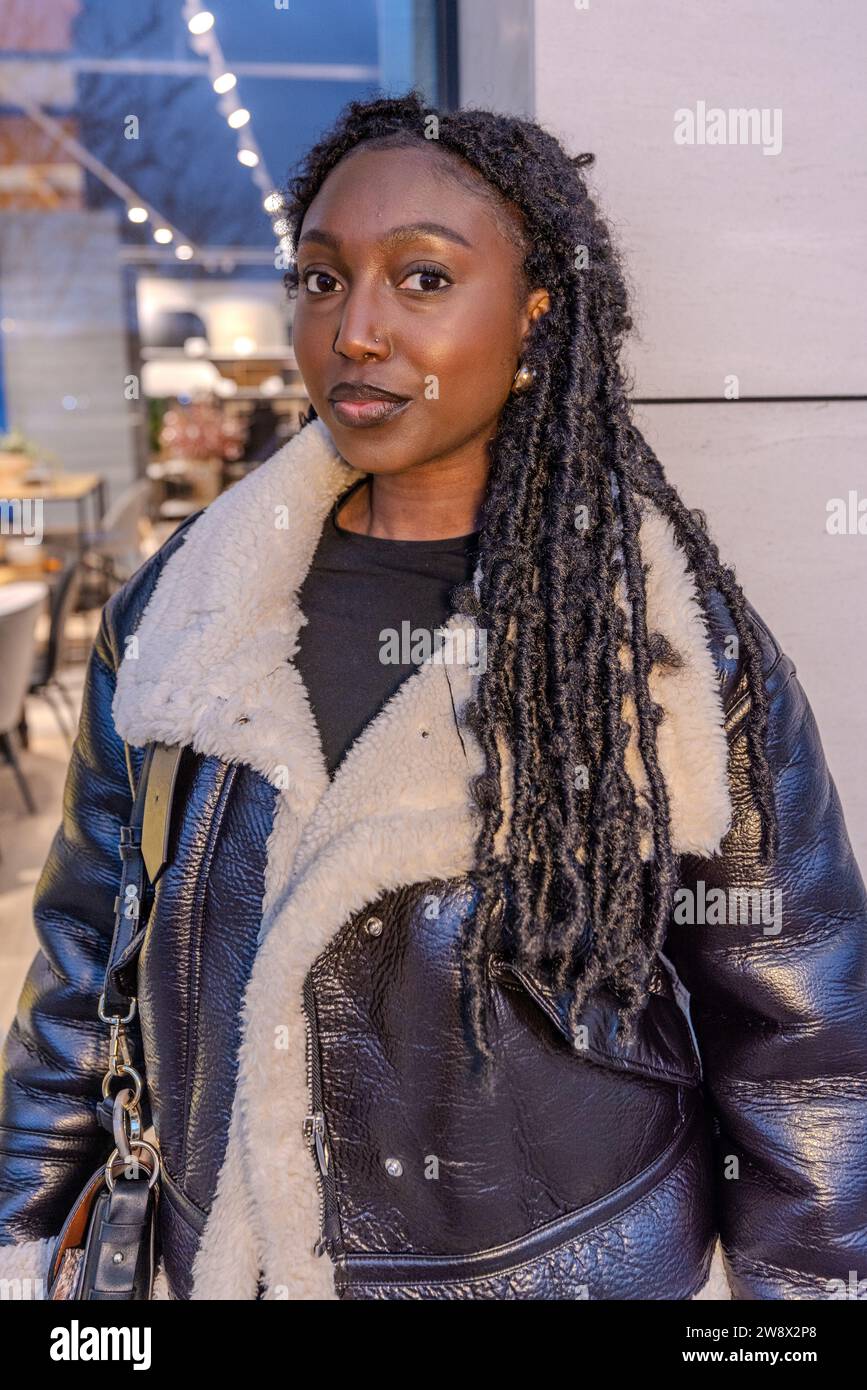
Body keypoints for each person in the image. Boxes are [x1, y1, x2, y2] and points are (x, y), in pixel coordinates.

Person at [1, 91, 865, 1302]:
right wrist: (25, 1249)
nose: (355, 329)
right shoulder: (184, 610)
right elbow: (84, 970)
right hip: (229, 1265)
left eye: (422, 278)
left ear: (534, 312)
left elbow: (806, 1052)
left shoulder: (657, 642)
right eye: (319, 278)